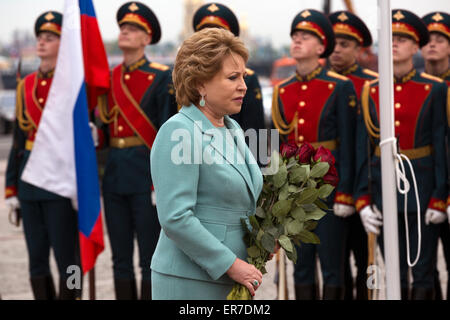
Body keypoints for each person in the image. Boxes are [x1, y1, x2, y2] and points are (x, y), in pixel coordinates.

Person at [150, 27, 264, 300]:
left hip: (233, 279)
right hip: (190, 280)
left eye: (243, 77)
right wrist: (231, 264)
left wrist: (263, 235)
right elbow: (175, 217)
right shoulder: (179, 132)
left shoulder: (233, 128)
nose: (243, 86)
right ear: (200, 84)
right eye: (232, 77)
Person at [355, 9, 448, 300]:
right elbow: (364, 149)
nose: (394, 43)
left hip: (421, 191)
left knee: (423, 270)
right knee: (392, 269)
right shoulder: (370, 90)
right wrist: (363, 199)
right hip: (383, 191)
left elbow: (441, 147)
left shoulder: (434, 89)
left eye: (403, 39)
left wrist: (440, 196)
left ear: (415, 46)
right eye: (391, 38)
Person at [271, 9, 357, 299]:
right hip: (294, 192)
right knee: (301, 265)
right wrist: (274, 195)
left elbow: (349, 144)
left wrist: (345, 192)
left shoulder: (340, 86)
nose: (297, 41)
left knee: (333, 264)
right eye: (295, 36)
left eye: (305, 37)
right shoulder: (282, 91)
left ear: (321, 47)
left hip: (329, 189)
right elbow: (277, 147)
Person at [96, 1, 177, 300]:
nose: (125, 32)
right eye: (123, 28)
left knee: (148, 258)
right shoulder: (108, 77)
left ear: (147, 38)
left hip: (146, 177)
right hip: (115, 175)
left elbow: (169, 134)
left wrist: (163, 182)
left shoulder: (160, 77)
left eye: (133, 29)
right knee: (119, 259)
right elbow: (103, 131)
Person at [4, 11, 81, 300]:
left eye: (50, 38)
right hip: (30, 183)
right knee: (36, 257)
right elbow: (19, 142)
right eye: (40, 37)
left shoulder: (74, 84)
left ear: (64, 44)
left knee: (68, 259)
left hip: (62, 183)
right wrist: (11, 186)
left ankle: (71, 297)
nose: (42, 42)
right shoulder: (26, 86)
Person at [328, 10, 378, 300]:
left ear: (359, 49)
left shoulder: (373, 83)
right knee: (335, 261)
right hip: (331, 184)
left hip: (367, 183)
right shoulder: (321, 81)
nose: (337, 49)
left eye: (345, 44)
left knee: (367, 259)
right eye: (333, 43)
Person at [192, 3, 266, 160]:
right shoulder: (180, 78)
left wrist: (259, 178)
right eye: (204, 35)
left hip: (234, 160)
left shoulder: (248, 78)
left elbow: (255, 133)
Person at [421, 11, 450, 300]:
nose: (431, 44)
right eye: (427, 39)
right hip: (424, 187)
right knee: (424, 268)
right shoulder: (414, 87)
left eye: (440, 39)